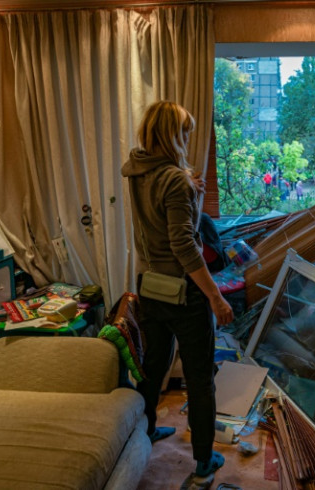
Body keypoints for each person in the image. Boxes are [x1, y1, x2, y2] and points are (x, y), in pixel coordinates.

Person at [121, 100, 233, 479]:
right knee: (201, 377)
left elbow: (160, 221)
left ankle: (148, 428)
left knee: (153, 367)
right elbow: (184, 244)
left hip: (150, 288)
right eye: (186, 130)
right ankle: (204, 460)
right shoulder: (175, 179)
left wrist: (192, 192)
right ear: (174, 134)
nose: (189, 136)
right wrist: (215, 296)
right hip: (184, 294)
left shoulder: (137, 171)